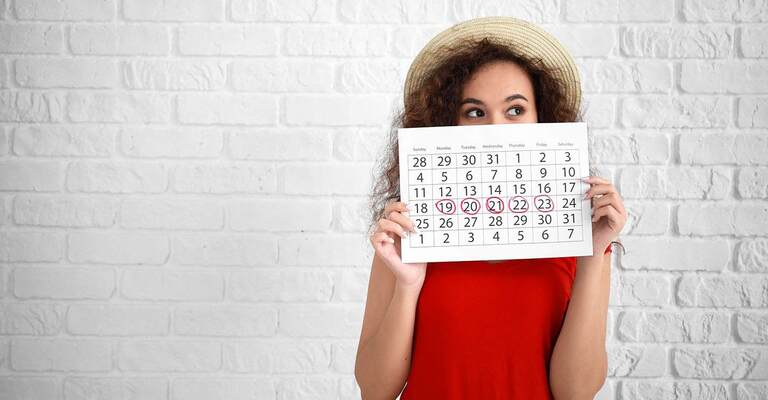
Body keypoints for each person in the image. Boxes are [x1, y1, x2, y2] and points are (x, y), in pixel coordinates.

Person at [354, 16, 627, 400]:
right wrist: (408, 285)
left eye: (515, 110)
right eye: (475, 112)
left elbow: (575, 392)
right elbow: (374, 390)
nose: (496, 128)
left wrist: (593, 255)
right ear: (447, 122)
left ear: (541, 118)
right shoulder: (405, 233)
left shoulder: (587, 237)